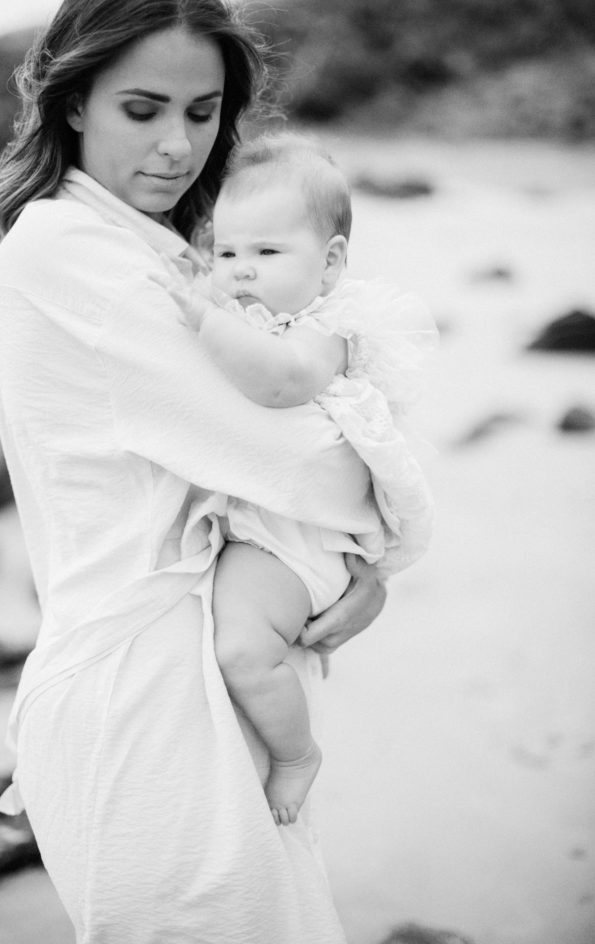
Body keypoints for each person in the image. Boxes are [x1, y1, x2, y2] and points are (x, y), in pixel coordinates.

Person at [0, 0, 389, 944]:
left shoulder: (158, 248)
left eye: (202, 112)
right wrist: (376, 552)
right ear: (72, 101)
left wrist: (360, 560)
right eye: (142, 108)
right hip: (145, 702)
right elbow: (305, 460)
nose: (176, 145)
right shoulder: (69, 252)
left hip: (199, 674)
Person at [155, 132, 435, 828]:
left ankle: (295, 753)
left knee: (242, 651)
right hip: (267, 529)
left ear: (330, 262)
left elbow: (284, 385)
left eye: (266, 252)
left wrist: (201, 316)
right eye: (225, 253)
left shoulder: (324, 326)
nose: (241, 271)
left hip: (296, 542)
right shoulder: (256, 314)